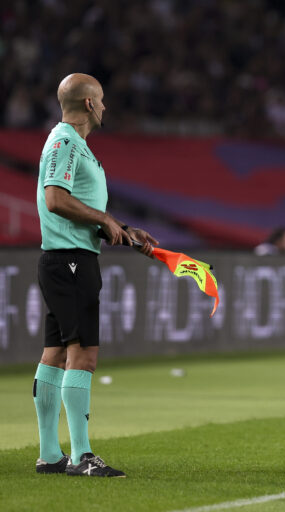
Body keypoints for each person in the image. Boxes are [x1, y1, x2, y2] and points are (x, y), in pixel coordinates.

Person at [34, 73, 157, 477]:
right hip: (71, 262)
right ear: (89, 104)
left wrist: (121, 227)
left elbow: (78, 205)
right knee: (82, 355)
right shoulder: (66, 141)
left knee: (55, 354)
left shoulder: (74, 145)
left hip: (64, 259)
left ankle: (50, 454)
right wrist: (104, 219)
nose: (104, 106)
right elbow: (56, 199)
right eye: (101, 100)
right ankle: (81, 456)